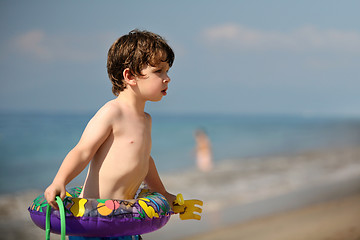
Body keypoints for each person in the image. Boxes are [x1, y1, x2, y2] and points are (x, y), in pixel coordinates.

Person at [44, 29, 176, 240]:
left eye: (167, 71)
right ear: (130, 75)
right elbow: (83, 150)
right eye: (159, 71)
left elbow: (144, 162)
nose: (167, 78)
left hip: (125, 219)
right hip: (94, 223)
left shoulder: (146, 119)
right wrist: (60, 181)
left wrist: (163, 193)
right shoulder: (112, 112)